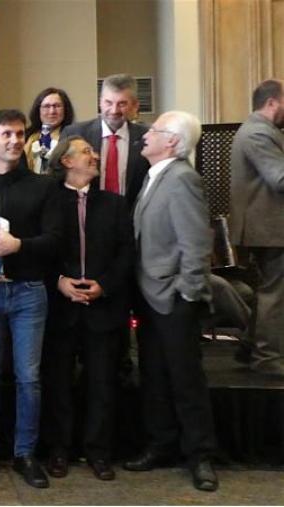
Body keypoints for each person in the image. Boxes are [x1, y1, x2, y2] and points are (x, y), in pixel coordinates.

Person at [125, 111, 219, 492]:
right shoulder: (153, 176)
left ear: (174, 142)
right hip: (149, 297)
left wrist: (188, 293)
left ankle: (200, 456)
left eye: (155, 130)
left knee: (185, 381)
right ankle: (162, 445)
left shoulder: (182, 179)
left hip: (175, 300)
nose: (146, 134)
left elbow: (196, 243)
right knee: (155, 377)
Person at [0, 109, 62, 489]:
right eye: (4, 133)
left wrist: (17, 244)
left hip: (29, 292)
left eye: (18, 134)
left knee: (29, 377)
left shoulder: (44, 187)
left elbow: (56, 240)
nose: (12, 140)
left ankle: (25, 453)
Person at [40, 136, 134, 482]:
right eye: (86, 152)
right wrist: (60, 281)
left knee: (102, 383)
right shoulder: (48, 201)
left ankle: (98, 452)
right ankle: (59, 449)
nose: (95, 155)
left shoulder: (114, 204)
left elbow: (126, 253)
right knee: (58, 384)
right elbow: (40, 251)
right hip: (60, 307)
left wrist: (104, 285)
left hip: (103, 307)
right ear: (66, 161)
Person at [229, 78, 284, 377]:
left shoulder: (261, 131)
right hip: (269, 229)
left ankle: (250, 346)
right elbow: (279, 178)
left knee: (270, 290)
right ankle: (267, 358)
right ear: (273, 102)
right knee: (275, 294)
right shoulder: (258, 133)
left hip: (267, 227)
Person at [62, 74, 150, 208]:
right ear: (100, 102)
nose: (114, 111)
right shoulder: (75, 133)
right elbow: (59, 177)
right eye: (108, 103)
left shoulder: (147, 137)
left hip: (130, 218)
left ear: (135, 105)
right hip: (85, 215)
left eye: (122, 104)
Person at [24, 88, 76, 174]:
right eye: (46, 106)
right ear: (38, 110)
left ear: (65, 110)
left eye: (57, 106)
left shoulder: (74, 138)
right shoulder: (27, 136)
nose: (52, 111)